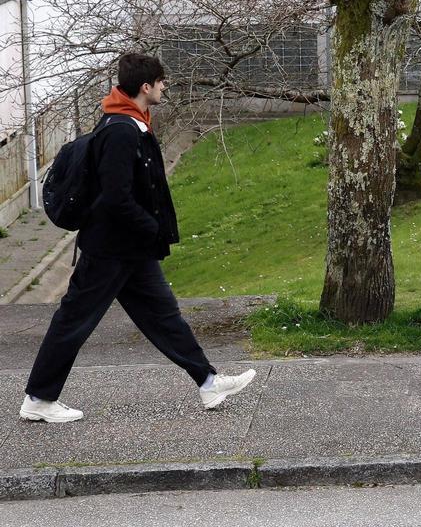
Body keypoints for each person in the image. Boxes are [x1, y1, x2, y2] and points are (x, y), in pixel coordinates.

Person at [20, 53, 256, 424]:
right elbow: (115, 196)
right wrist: (151, 226)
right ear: (146, 87)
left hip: (131, 250)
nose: (165, 87)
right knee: (73, 320)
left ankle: (208, 382)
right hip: (110, 249)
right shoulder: (120, 130)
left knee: (164, 316)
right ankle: (38, 399)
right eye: (161, 82)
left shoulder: (132, 122)